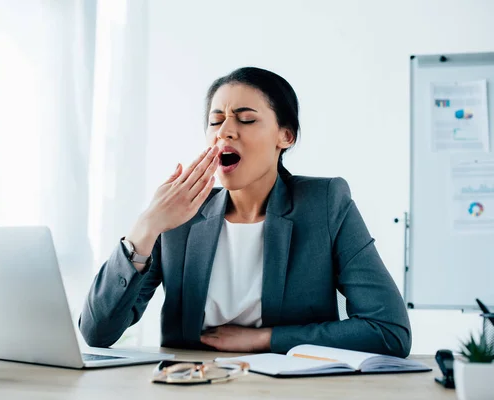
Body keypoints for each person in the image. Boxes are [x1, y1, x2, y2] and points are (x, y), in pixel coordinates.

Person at [79, 67, 411, 357]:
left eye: (246, 118)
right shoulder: (179, 216)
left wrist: (263, 339)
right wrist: (145, 227)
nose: (225, 131)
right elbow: (97, 332)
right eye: (215, 121)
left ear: (286, 135)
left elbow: (388, 329)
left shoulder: (326, 204)